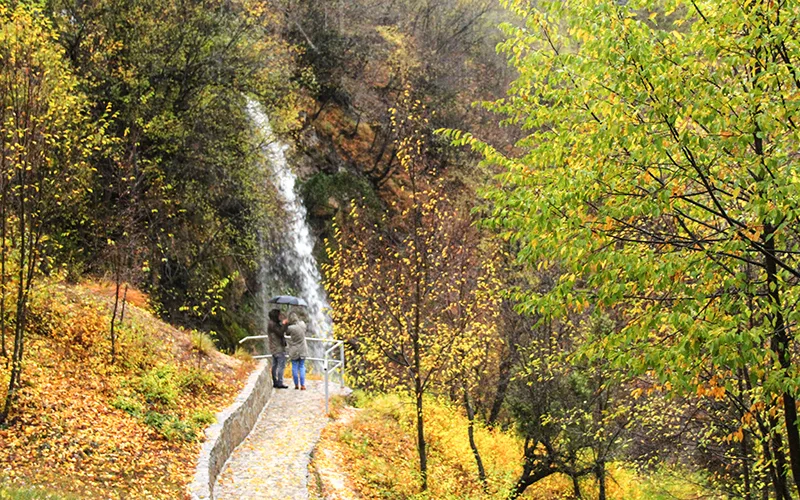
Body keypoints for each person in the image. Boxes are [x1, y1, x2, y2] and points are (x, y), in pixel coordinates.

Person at [267, 308, 289, 389]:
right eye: (279, 315)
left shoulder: (272, 323)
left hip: (274, 347)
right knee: (280, 366)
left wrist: (284, 324)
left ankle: (275, 381)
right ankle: (279, 382)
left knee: (275, 365)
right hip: (278, 348)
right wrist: (284, 324)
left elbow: (283, 331)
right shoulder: (273, 324)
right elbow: (280, 333)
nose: (280, 316)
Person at [286, 311, 309, 390]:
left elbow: (287, 333)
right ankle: (302, 385)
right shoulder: (302, 324)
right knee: (302, 366)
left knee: (294, 367)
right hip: (303, 349)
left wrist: (286, 323)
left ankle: (296, 385)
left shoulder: (290, 328)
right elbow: (305, 329)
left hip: (294, 350)